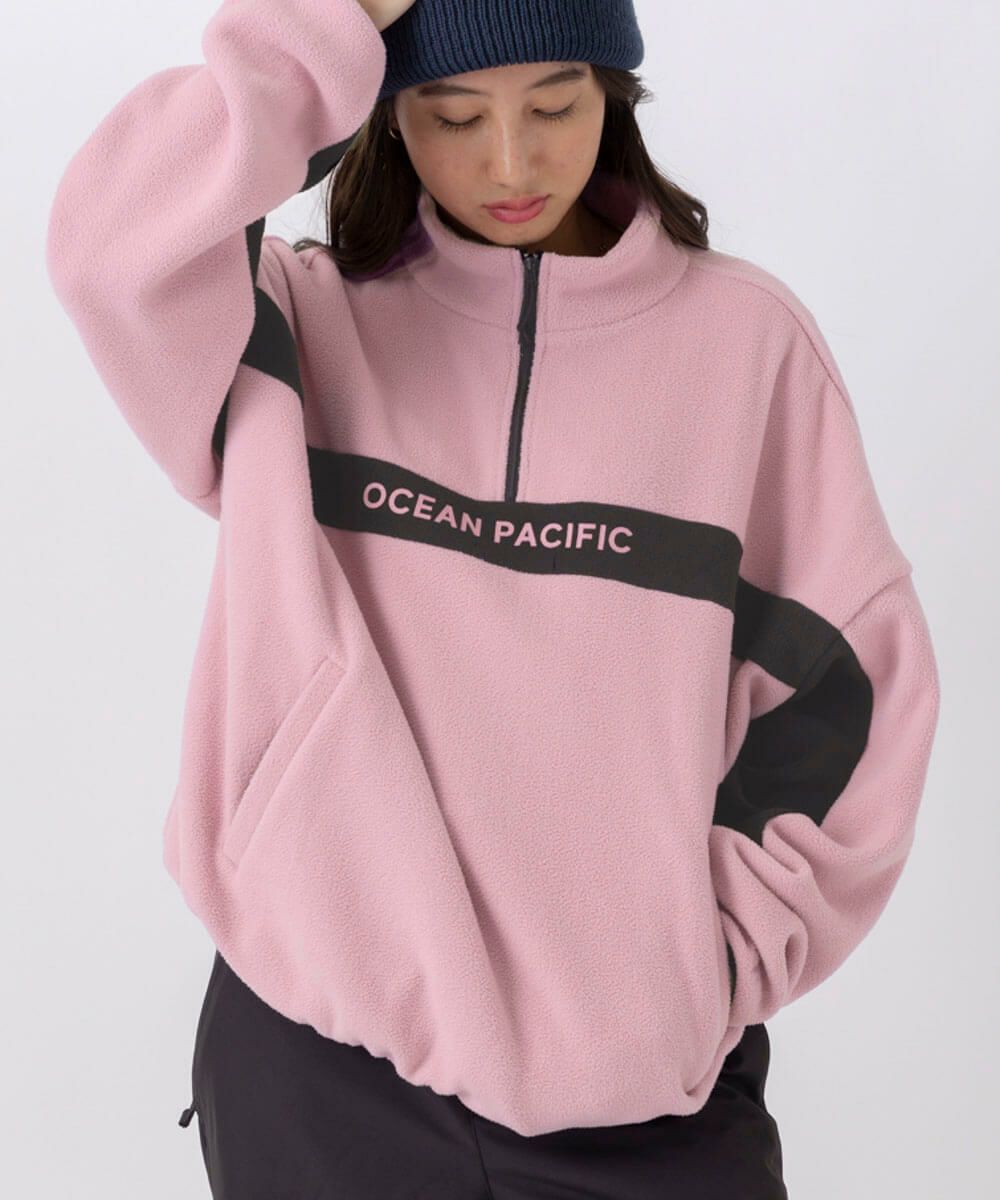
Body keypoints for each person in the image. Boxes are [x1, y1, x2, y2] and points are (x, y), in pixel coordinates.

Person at [45, 0, 941, 1195]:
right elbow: (109, 250)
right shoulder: (291, 326)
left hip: (642, 1101)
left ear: (613, 91)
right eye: (454, 116)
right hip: (321, 1066)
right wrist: (328, 19)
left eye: (555, 104)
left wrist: (710, 964)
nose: (511, 163)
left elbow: (844, 691)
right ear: (386, 115)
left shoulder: (746, 348)